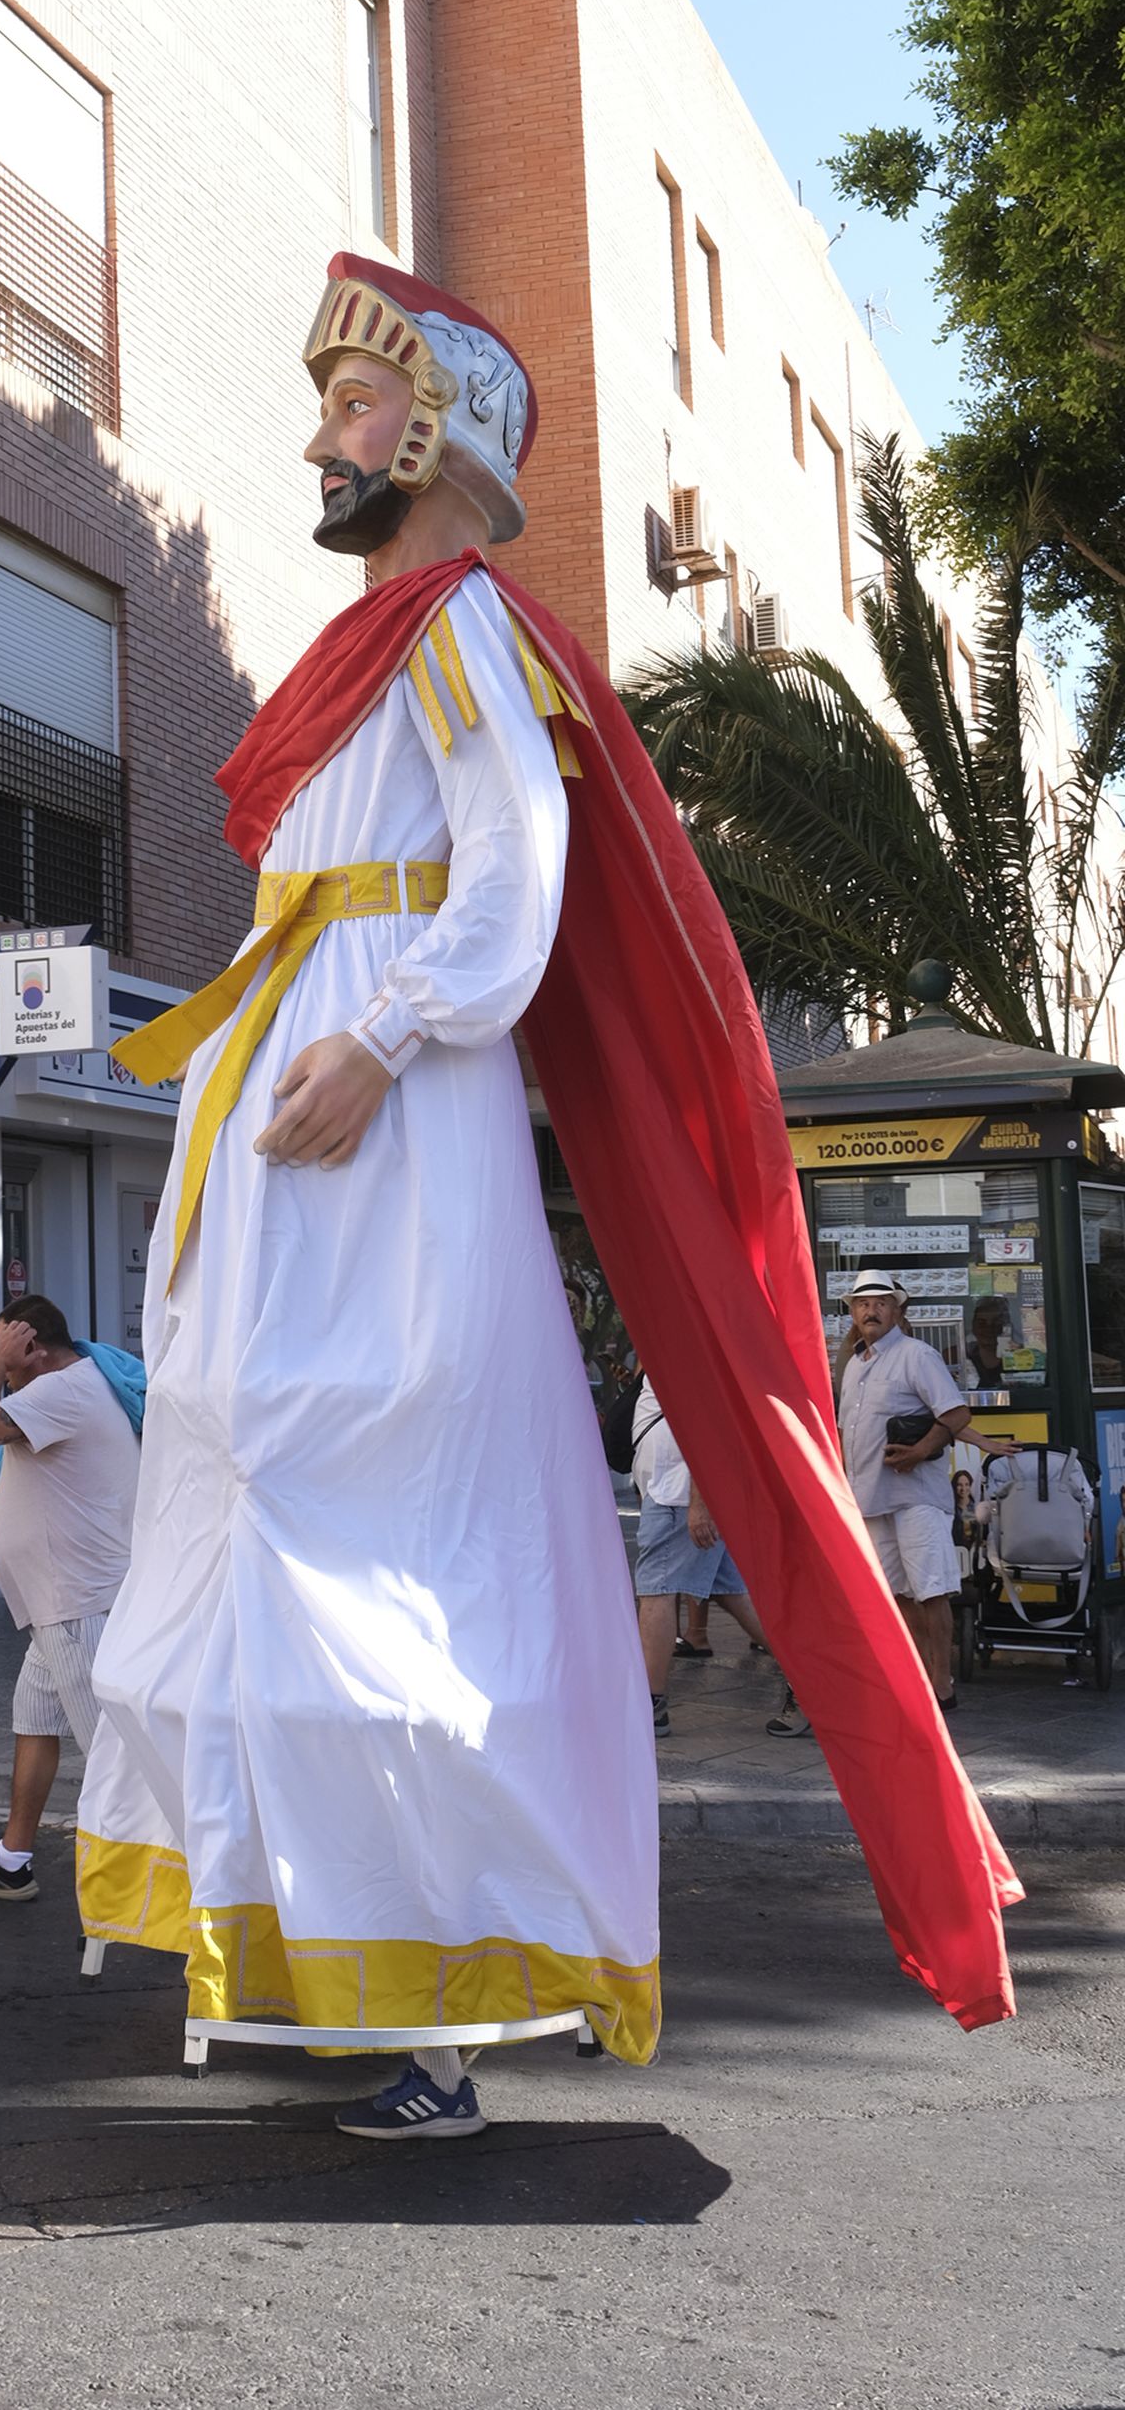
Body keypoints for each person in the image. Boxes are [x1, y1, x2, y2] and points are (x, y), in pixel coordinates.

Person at [74, 251, 1019, 2144]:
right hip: (295, 1137)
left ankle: (445, 2000)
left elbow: (512, 870)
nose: (322, 434)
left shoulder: (466, 632)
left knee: (394, 1514)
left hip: (387, 1138)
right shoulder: (369, 658)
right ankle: (322, 1952)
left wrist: (388, 1033)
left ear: (428, 430)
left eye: (352, 403)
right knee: (265, 1475)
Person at [0, 1298, 139, 1902]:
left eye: (9, 1356)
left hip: (76, 1603)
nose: (3, 1373)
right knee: (35, 1725)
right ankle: (12, 1860)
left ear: (35, 1351)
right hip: (57, 1604)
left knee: (117, 1758)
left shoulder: (63, 1390)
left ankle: (162, 1894)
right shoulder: (74, 1382)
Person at [838, 1268, 1016, 1708]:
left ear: (898, 1310)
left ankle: (941, 1682)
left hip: (915, 1497)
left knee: (931, 1589)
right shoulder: (854, 1364)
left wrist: (919, 1452)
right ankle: (915, 1673)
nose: (871, 1309)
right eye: (863, 1303)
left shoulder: (916, 1355)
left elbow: (955, 1415)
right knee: (896, 1594)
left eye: (881, 1302)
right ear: (853, 1313)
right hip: (870, 1500)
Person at [629, 1378, 773, 1736]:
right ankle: (812, 1679)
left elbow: (708, 1425)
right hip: (674, 1492)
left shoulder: (684, 1342)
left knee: (656, 1592)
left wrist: (700, 1502)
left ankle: (652, 1704)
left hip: (676, 1494)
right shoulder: (672, 1343)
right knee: (733, 1594)